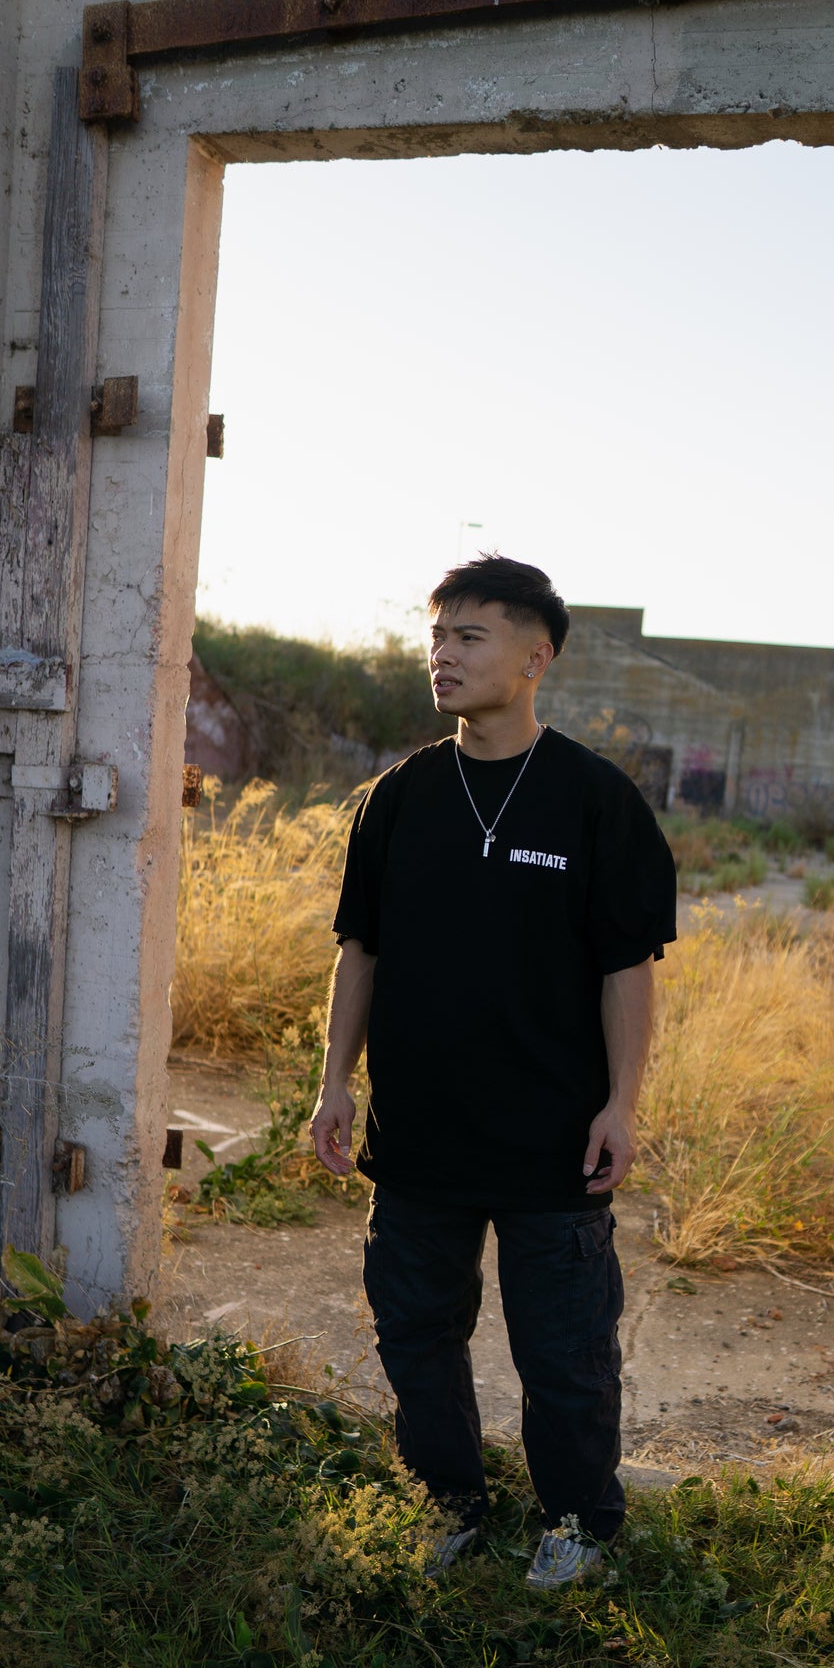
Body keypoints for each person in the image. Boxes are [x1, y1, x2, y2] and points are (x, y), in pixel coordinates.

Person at [309, 555, 677, 1588]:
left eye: (469, 637)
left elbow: (624, 970)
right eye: (436, 637)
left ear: (534, 657)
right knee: (416, 1331)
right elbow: (361, 953)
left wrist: (619, 1103)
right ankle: (446, 1501)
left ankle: (575, 1523)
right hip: (419, 1133)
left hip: (550, 1137)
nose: (443, 655)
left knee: (562, 1352)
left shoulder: (596, 802)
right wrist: (333, 1084)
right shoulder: (397, 798)